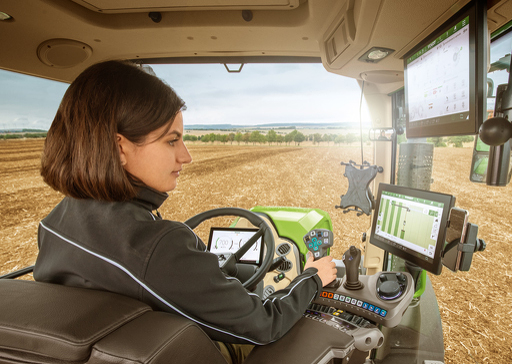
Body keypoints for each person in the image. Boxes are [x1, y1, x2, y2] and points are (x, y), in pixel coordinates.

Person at [34, 60, 337, 364]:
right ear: (120, 149)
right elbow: (264, 323)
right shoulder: (155, 247)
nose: (186, 156)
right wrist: (311, 277)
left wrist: (207, 275)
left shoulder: (55, 222)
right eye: (172, 140)